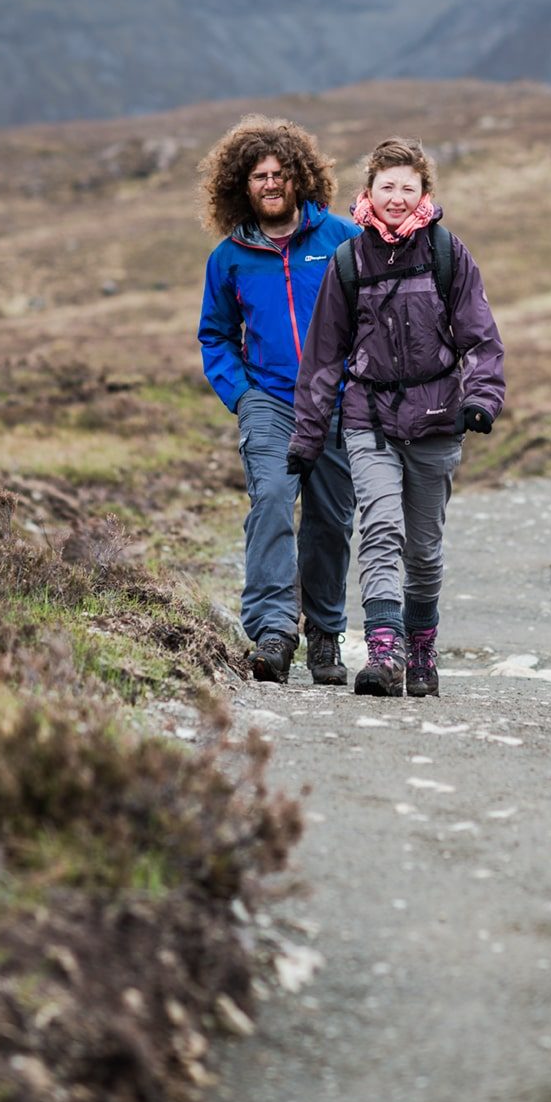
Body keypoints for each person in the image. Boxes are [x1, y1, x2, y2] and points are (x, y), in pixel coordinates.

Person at [287, 136, 505, 697]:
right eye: (387, 187)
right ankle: (384, 653)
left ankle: (423, 649)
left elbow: (480, 336)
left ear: (424, 193)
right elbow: (322, 358)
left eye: (409, 188)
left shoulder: (447, 254)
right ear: (369, 192)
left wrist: (482, 398)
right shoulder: (347, 261)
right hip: (369, 419)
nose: (397, 197)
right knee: (380, 529)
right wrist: (307, 439)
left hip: (436, 417)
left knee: (424, 548)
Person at [197, 114, 361, 685]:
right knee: (269, 499)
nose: (270, 184)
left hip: (336, 401)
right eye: (259, 176)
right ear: (242, 186)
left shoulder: (341, 239)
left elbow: (373, 315)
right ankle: (272, 632)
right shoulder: (229, 258)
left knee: (331, 520)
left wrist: (358, 382)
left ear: (300, 178)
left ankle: (323, 635)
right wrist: (241, 396)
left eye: (280, 173)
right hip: (268, 401)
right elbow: (214, 336)